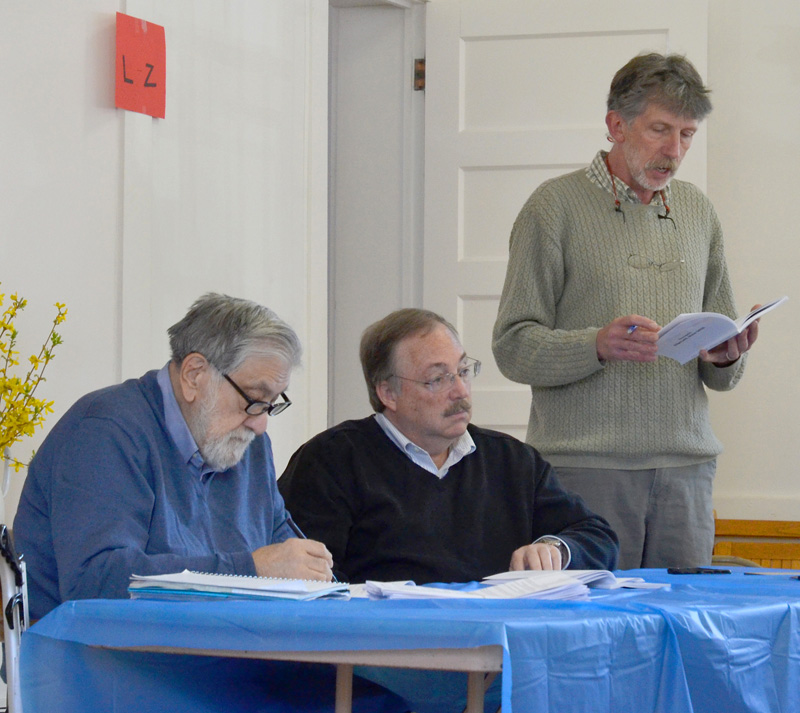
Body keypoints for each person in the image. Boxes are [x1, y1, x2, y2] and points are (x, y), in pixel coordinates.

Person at [492, 52, 760, 570]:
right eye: (660, 130)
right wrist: (596, 344)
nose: (674, 151)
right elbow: (512, 347)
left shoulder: (697, 211)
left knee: (683, 637)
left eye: (687, 135)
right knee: (590, 637)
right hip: (584, 473)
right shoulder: (553, 208)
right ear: (616, 124)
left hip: (686, 471)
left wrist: (727, 357)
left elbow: (722, 373)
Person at [14, 292, 337, 621]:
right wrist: (251, 570)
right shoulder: (105, 432)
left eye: (271, 405)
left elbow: (283, 551)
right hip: (101, 661)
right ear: (194, 375)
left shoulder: (247, 445)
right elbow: (97, 583)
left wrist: (314, 572)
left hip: (218, 654)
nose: (260, 424)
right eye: (254, 399)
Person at [279, 308, 619, 586]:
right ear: (388, 393)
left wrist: (556, 548)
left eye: (463, 370)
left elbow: (598, 537)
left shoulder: (511, 460)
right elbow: (309, 580)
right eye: (438, 379)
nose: (460, 391)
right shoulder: (330, 461)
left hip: (496, 644)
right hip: (384, 653)